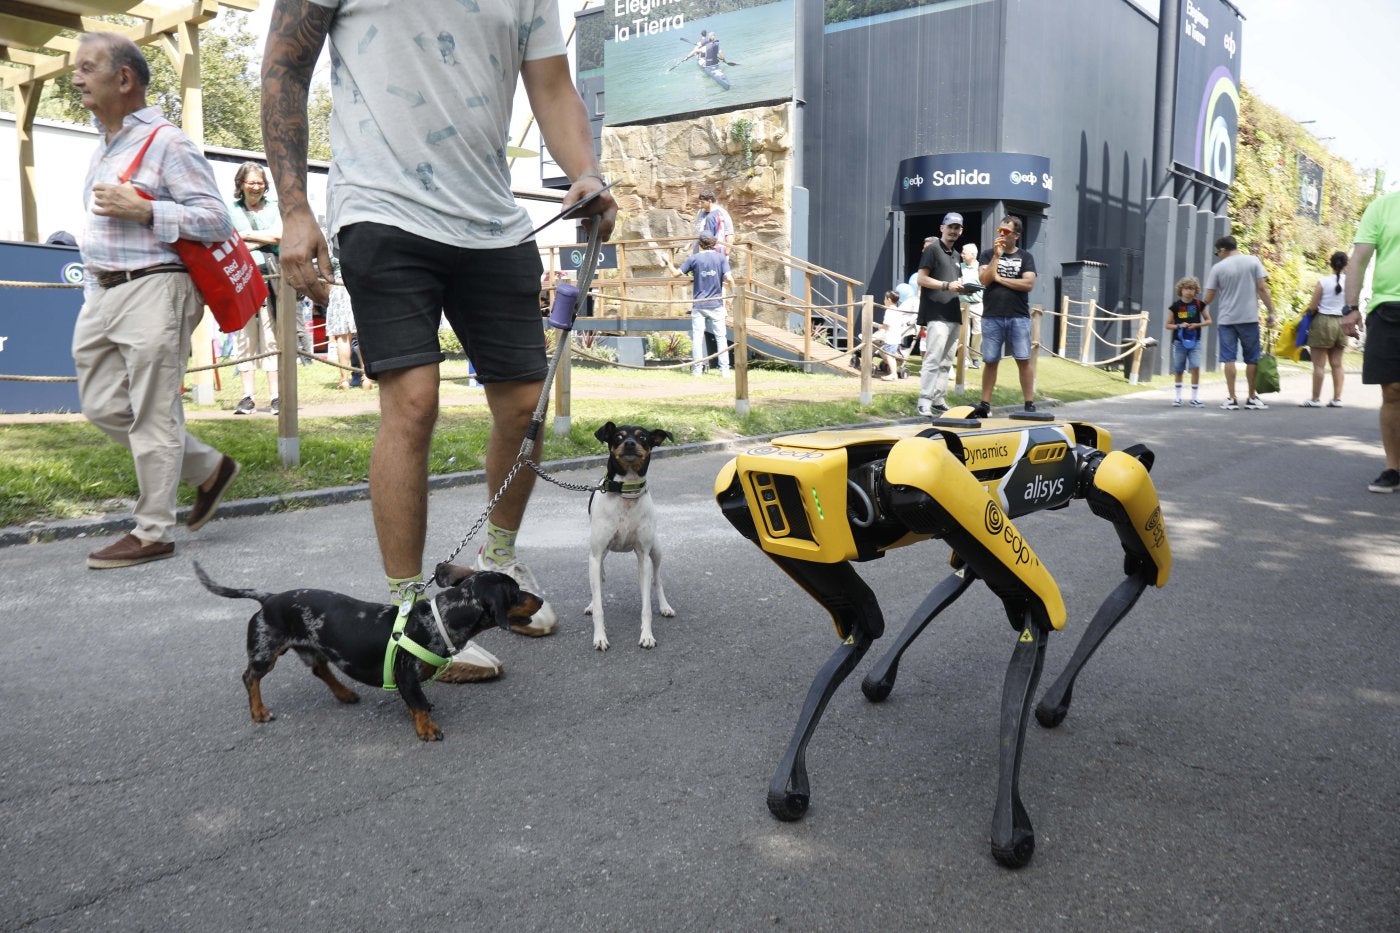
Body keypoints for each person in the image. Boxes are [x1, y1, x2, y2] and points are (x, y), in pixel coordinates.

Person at [263, 0, 617, 680]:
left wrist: (586, 172)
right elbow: (284, 71)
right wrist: (294, 206)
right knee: (414, 403)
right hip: (381, 208)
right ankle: (409, 619)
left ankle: (500, 556)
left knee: (522, 405)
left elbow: (551, 84)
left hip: (493, 220)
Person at [69, 32, 240, 569]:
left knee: (152, 413)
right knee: (101, 405)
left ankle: (152, 531)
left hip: (155, 286)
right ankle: (208, 468)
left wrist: (147, 210)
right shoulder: (105, 143)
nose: (76, 78)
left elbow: (215, 220)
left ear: (124, 78)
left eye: (87, 67)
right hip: (104, 291)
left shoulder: (169, 142)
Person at [1341, 190, 1400, 492]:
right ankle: (1393, 467)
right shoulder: (1382, 207)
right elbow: (1359, 259)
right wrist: (1351, 307)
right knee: (1392, 390)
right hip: (1389, 307)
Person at [228, 162, 283, 415]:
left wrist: (246, 235)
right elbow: (229, 241)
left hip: (271, 278)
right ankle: (247, 397)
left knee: (272, 338)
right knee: (245, 338)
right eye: (250, 182)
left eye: (259, 182)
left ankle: (275, 397)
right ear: (241, 184)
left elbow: (278, 237)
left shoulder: (275, 208)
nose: (255, 186)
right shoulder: (231, 209)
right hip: (241, 279)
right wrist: (261, 238)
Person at [1203, 234, 1277, 411]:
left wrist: (1197, 308)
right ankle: (1252, 397)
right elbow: (1262, 288)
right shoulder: (1253, 262)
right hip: (1249, 318)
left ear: (1222, 250)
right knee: (1251, 359)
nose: (1218, 255)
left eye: (1217, 252)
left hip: (1227, 320)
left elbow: (1210, 295)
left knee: (1228, 358)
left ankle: (1232, 398)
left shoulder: (1218, 268)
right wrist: (1272, 311)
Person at [973, 216, 1038, 417]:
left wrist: (999, 278)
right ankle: (985, 404)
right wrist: (996, 256)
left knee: (1023, 359)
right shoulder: (987, 255)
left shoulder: (1026, 257)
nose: (1001, 234)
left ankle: (1029, 403)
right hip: (992, 315)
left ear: (1016, 235)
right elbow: (984, 280)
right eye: (1000, 230)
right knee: (990, 360)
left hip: (1018, 316)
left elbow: (1028, 284)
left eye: (1006, 232)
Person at [915, 213, 971, 416]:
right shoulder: (932, 249)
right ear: (942, 228)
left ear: (961, 231)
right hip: (935, 313)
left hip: (953, 313)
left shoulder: (957, 256)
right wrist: (947, 285)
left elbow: (955, 285)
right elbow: (921, 279)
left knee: (947, 361)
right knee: (933, 359)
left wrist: (965, 288)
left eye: (957, 228)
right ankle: (924, 400)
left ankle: (938, 399)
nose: (953, 231)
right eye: (950, 227)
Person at [667, 234, 732, 377]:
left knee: (697, 338)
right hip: (716, 304)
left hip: (699, 304)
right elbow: (730, 278)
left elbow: (675, 274)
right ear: (714, 244)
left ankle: (697, 370)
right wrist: (732, 297)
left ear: (700, 244)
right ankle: (725, 371)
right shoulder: (720, 258)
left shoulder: (694, 258)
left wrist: (667, 261)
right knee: (721, 337)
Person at [1299, 251, 1350, 408]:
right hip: (1342, 323)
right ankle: (1337, 398)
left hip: (1323, 322)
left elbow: (1313, 306)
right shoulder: (1351, 283)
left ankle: (1315, 399)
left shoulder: (1323, 282)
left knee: (1319, 365)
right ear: (1346, 265)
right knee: (1337, 363)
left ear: (1330, 264)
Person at [1166, 275, 1211, 408]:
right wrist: (1179, 326)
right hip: (1179, 342)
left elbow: (1209, 320)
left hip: (1195, 341)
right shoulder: (1175, 306)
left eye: (1192, 289)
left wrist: (1197, 325)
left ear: (1196, 290)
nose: (1189, 291)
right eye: (1186, 288)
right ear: (1181, 289)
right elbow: (1168, 325)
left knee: (1195, 367)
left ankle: (1194, 398)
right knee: (1179, 369)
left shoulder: (1199, 305)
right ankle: (1178, 397)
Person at [876, 289, 914, 380]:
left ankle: (893, 374)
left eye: (885, 299)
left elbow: (886, 325)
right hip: (896, 337)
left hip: (890, 338)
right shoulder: (898, 310)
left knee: (889, 356)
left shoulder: (889, 311)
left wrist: (879, 326)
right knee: (889, 356)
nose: (884, 301)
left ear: (889, 299)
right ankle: (892, 371)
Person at [959, 242, 983, 369]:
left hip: (978, 304)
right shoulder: (959, 267)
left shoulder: (981, 267)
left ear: (973, 255)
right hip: (963, 304)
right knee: (964, 333)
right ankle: (965, 360)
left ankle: (974, 356)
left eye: (964, 252)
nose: (962, 255)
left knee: (978, 332)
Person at [692, 189, 733, 255]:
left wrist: (727, 251)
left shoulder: (721, 213)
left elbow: (729, 233)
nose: (700, 204)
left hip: (715, 251)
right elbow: (697, 230)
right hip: (699, 251)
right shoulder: (700, 212)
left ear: (709, 201)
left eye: (702, 202)